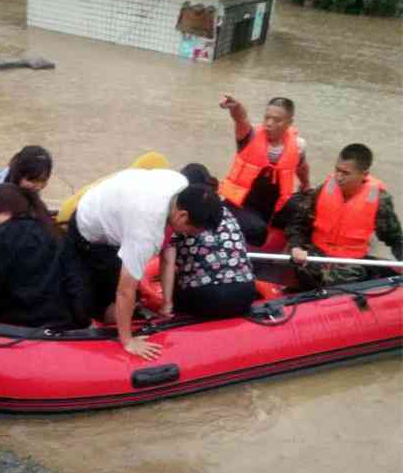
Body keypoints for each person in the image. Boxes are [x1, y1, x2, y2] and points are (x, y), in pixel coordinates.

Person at [67, 168, 209, 360]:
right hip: (89, 234)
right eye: (192, 230)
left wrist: (167, 302)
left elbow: (167, 256)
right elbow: (124, 291)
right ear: (182, 216)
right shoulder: (146, 230)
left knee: (128, 293)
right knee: (95, 305)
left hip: (107, 211)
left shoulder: (179, 185)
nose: (189, 235)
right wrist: (128, 341)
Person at [0, 183, 88, 328]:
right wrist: (83, 322)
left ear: (5, 212)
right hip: (56, 324)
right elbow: (76, 284)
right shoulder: (57, 236)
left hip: (8, 327)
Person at [287, 144, 403, 289]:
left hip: (349, 262)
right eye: (337, 170)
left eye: (346, 173)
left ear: (364, 174)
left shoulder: (380, 201)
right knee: (298, 269)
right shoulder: (324, 189)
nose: (339, 177)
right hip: (314, 254)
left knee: (343, 281)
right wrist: (296, 246)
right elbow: (298, 223)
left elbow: (395, 238)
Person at [159, 171, 256, 318]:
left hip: (205, 295)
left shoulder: (179, 219)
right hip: (246, 291)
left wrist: (167, 303)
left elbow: (167, 262)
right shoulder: (224, 211)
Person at [218, 94, 311, 246]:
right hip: (241, 202)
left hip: (275, 203)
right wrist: (236, 107)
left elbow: (302, 166)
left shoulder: (298, 145)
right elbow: (240, 119)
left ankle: (294, 252)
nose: (269, 123)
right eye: (267, 117)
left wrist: (306, 185)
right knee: (258, 230)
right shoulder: (249, 135)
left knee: (307, 211)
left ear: (289, 122)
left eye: (277, 120)